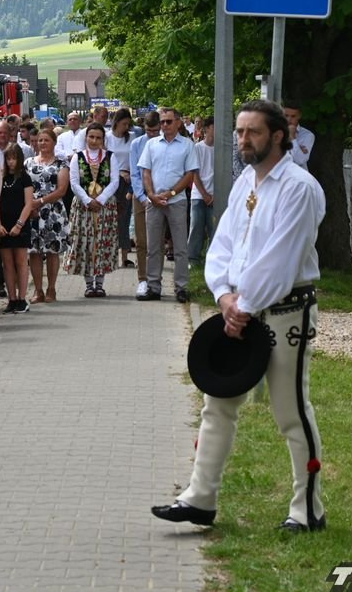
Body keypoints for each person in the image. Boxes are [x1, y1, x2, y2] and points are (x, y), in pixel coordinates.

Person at [152, 100, 328, 533]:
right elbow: (224, 245)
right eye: (240, 132)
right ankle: (200, 499)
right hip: (239, 310)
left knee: (290, 410)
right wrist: (223, 294)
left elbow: (281, 259)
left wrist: (241, 306)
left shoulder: (299, 188)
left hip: (286, 310)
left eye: (253, 132)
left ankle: (308, 510)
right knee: (218, 402)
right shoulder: (245, 182)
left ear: (278, 137)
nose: (243, 140)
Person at [137, 108, 197, 303]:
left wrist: (171, 193)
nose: (164, 125)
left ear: (178, 122)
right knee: (153, 247)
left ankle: (181, 287)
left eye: (168, 121)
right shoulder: (152, 144)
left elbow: (189, 174)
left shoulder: (187, 145)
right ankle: (153, 286)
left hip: (176, 201)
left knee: (180, 248)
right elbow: (146, 171)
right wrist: (151, 195)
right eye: (162, 122)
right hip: (154, 201)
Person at [65, 123, 121, 297]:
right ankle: (89, 284)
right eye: (91, 137)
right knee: (86, 243)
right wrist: (88, 200)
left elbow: (115, 181)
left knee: (102, 242)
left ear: (103, 140)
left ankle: (100, 283)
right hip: (84, 207)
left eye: (98, 138)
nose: (94, 141)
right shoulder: (78, 157)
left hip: (105, 206)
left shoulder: (110, 157)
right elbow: (74, 183)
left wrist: (101, 199)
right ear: (86, 138)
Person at [26, 128, 69, 304]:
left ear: (54, 142)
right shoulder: (28, 162)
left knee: (52, 251)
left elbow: (62, 190)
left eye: (46, 140)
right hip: (32, 212)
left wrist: (41, 201)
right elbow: (23, 186)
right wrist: (30, 205)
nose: (42, 143)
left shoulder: (61, 164)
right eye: (40, 140)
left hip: (53, 212)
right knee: (34, 252)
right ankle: (38, 290)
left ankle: (51, 288)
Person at [0, 144, 36, 313]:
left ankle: (21, 298)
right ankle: (11, 298)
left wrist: (19, 225)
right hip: (4, 225)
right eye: (8, 159)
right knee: (7, 263)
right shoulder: (1, 178)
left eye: (14, 158)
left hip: (20, 224)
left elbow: (28, 204)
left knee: (21, 262)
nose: (11, 162)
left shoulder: (25, 178)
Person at [129, 111, 161, 296]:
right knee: (141, 240)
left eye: (155, 131)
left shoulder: (164, 143)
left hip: (160, 195)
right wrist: (141, 196)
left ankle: (155, 279)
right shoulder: (137, 144)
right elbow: (135, 173)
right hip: (141, 196)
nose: (152, 134)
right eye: (149, 131)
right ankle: (142, 279)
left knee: (156, 241)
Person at [106, 107, 137, 268]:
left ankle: (124, 256)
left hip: (127, 182)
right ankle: (110, 255)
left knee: (124, 218)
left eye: (128, 124)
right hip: (112, 180)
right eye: (124, 123)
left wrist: (129, 173)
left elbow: (134, 158)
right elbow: (105, 160)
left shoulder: (131, 137)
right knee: (111, 219)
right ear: (116, 122)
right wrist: (119, 172)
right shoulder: (107, 138)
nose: (126, 127)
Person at [189, 117, 216, 265]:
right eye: (214, 127)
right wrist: (205, 194)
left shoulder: (221, 149)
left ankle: (212, 259)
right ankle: (193, 258)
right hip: (199, 195)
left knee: (214, 228)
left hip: (215, 195)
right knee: (196, 227)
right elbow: (194, 173)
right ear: (207, 129)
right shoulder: (198, 148)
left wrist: (216, 195)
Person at [284, 102, 315, 170]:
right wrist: (297, 148)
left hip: (297, 175)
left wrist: (292, 138)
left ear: (299, 116)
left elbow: (300, 160)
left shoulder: (307, 135)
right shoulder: (274, 133)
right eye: (286, 115)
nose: (289, 120)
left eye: (293, 116)